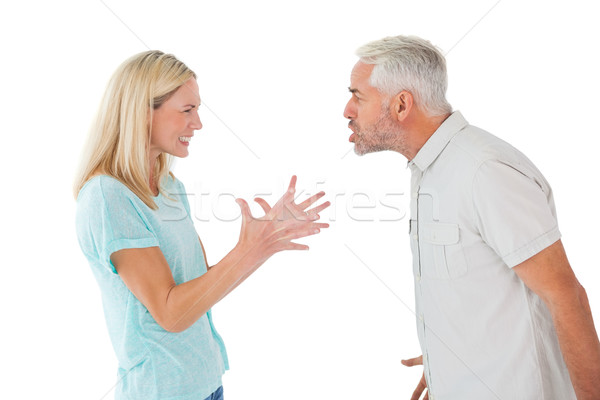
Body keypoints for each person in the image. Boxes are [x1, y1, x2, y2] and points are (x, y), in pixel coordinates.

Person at [343, 35, 600, 399]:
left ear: (402, 105)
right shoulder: (430, 169)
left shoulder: (483, 170)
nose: (347, 111)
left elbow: (566, 296)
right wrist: (445, 366)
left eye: (358, 96)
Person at [74, 50, 329, 400]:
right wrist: (248, 251)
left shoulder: (167, 186)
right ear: (142, 112)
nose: (198, 124)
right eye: (186, 110)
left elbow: (197, 287)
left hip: (207, 383)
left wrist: (262, 243)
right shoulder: (108, 196)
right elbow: (170, 313)